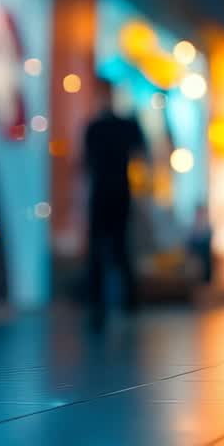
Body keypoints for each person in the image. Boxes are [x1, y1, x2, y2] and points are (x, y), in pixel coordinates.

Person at [82, 80, 146, 325]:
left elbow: (86, 164)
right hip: (117, 192)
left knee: (108, 248)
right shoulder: (122, 126)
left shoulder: (96, 128)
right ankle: (124, 302)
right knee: (118, 248)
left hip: (106, 193)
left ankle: (102, 302)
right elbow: (141, 152)